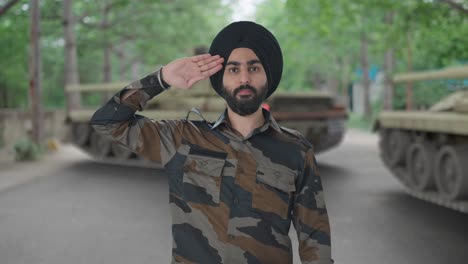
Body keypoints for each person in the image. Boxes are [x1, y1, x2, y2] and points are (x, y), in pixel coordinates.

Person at [91, 21, 333, 264]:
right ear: (221, 79)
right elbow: (107, 122)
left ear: (268, 76)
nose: (244, 79)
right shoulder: (182, 139)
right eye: (233, 70)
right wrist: (161, 78)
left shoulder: (296, 151)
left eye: (254, 69)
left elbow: (314, 236)